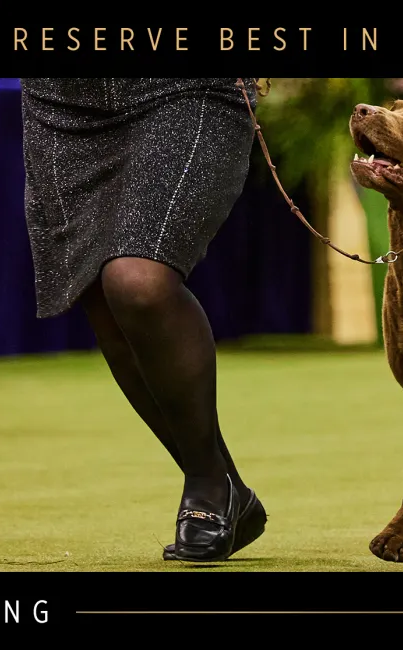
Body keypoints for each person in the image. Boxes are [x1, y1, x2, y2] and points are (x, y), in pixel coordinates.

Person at [19, 77, 268, 562]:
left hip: (188, 87)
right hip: (61, 102)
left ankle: (207, 481)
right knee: (98, 289)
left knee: (137, 282)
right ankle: (216, 484)